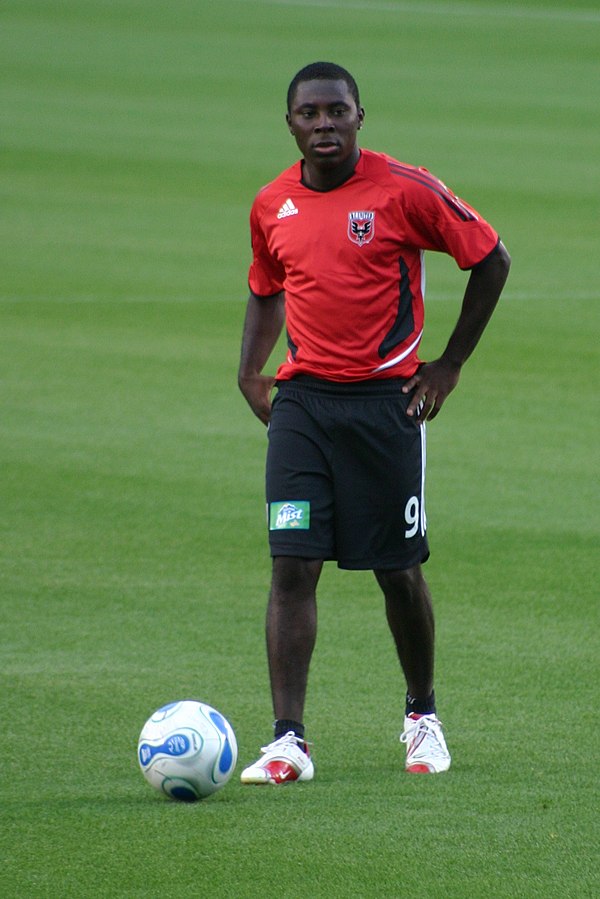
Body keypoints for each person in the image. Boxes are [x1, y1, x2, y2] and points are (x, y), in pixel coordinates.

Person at [237, 61, 510, 783]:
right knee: (292, 563)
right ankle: (288, 738)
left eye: (337, 111)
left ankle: (422, 715)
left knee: (398, 570)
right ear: (290, 123)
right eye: (309, 114)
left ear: (362, 117)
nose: (324, 124)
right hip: (302, 405)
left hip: (387, 406)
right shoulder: (272, 203)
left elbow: (491, 258)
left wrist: (448, 363)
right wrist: (249, 370)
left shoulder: (404, 189)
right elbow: (267, 288)